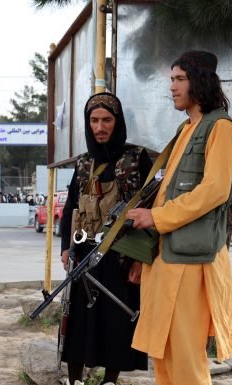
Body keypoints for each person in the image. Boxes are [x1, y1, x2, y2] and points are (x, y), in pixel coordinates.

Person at [126, 51, 232, 385]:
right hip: (168, 256)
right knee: (164, 353)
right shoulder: (186, 129)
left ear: (200, 81)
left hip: (193, 259)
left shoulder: (220, 128)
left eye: (179, 79)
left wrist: (156, 218)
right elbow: (167, 193)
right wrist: (143, 255)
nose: (172, 88)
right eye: (171, 80)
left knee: (187, 359)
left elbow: (215, 190)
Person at [59, 92, 150, 385]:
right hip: (84, 254)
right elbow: (71, 206)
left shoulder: (137, 158)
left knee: (116, 320)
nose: (100, 126)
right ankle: (75, 380)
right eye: (94, 120)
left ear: (117, 121)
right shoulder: (84, 163)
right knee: (77, 321)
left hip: (121, 256)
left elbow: (151, 211)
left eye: (107, 120)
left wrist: (140, 260)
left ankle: (110, 379)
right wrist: (65, 248)